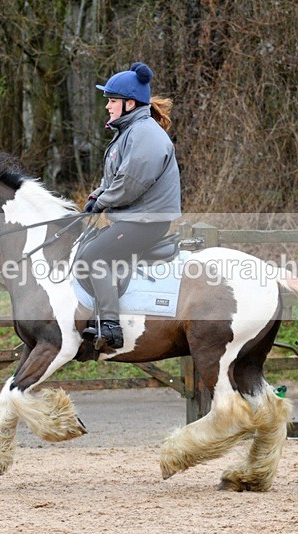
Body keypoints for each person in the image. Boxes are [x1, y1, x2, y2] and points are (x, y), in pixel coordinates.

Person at [78, 62, 181, 349]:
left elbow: (131, 182)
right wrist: (96, 196)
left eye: (112, 101)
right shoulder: (128, 131)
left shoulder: (144, 133)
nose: (108, 107)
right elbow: (114, 176)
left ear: (129, 103)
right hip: (133, 220)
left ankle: (110, 326)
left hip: (146, 222)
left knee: (93, 256)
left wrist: (102, 202)